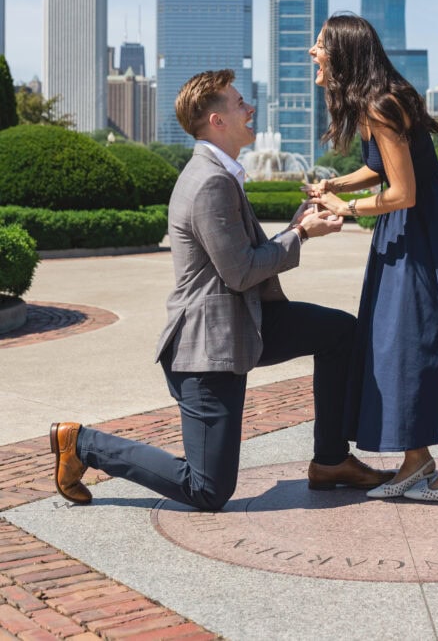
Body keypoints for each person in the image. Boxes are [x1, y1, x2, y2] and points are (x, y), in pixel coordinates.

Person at [50, 70, 394, 511]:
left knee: (340, 333)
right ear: (216, 120)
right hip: (208, 346)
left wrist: (296, 225)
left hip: (245, 321)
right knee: (208, 490)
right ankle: (84, 445)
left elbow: (240, 259)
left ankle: (330, 460)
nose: (250, 110)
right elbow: (239, 272)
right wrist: (302, 236)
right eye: (239, 104)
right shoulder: (210, 181)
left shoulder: (221, 173)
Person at [306, 15, 438, 502]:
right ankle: (415, 459)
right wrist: (338, 182)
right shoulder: (377, 100)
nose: (313, 53)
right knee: (396, 340)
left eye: (319, 46)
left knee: (424, 337)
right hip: (412, 230)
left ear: (342, 52)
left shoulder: (380, 104)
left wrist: (346, 208)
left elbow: (403, 192)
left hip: (425, 233)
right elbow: (380, 167)